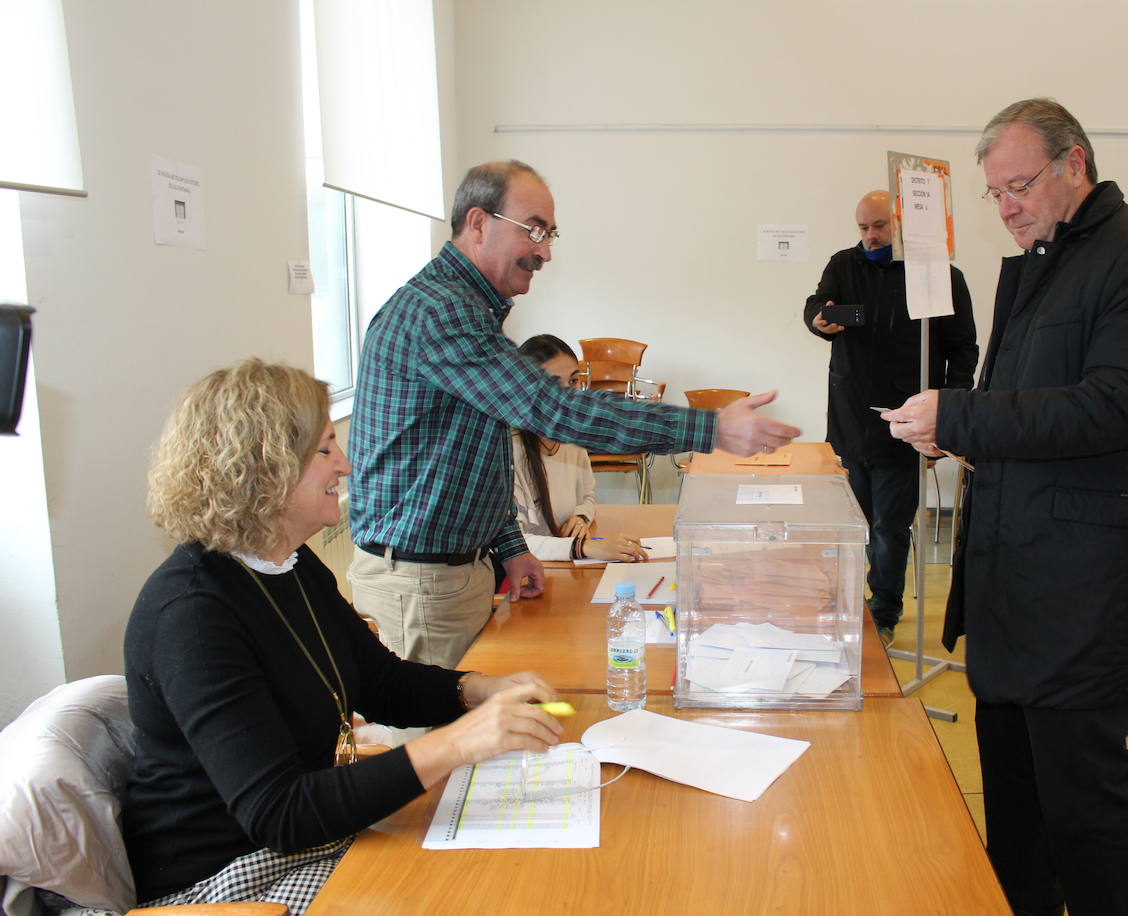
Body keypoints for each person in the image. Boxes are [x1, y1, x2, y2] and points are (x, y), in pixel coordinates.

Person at [883, 98, 1128, 916]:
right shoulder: (1040, 260)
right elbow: (1021, 405)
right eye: (996, 194)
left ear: (1075, 165)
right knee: (1019, 802)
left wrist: (962, 415)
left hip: (1084, 588)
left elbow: (1114, 407)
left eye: (1020, 185)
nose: (1009, 207)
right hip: (1017, 578)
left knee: (1088, 808)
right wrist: (958, 428)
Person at [123, 360, 564, 914]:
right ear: (264, 466)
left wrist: (480, 689)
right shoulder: (192, 614)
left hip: (300, 840)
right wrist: (456, 743)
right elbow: (279, 812)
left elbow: (378, 682)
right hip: (225, 877)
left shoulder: (289, 564)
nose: (347, 465)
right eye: (326, 449)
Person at [347, 160, 799, 669]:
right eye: (534, 230)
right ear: (478, 223)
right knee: (436, 739)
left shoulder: (464, 310)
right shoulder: (443, 312)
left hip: (452, 570)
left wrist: (511, 546)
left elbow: (471, 458)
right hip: (423, 580)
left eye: (550, 233)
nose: (544, 251)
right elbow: (553, 409)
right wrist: (710, 427)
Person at [803, 190, 978, 644]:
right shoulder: (844, 265)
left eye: (879, 226)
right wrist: (819, 319)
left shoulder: (937, 276)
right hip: (849, 419)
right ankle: (845, 606)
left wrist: (950, 409)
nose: (871, 236)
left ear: (900, 225)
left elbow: (963, 347)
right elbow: (815, 307)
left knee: (888, 527)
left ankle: (883, 612)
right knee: (848, 523)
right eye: (863, 228)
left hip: (907, 424)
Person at [512, 334, 647, 563]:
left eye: (573, 382)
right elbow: (514, 544)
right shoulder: (509, 448)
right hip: (527, 574)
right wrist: (582, 547)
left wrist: (581, 517)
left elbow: (587, 496)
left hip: (563, 568)